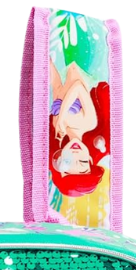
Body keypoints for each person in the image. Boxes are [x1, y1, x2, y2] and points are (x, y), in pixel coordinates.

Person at [49, 60, 111, 198]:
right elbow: (77, 86)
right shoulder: (89, 123)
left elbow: (56, 86)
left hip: (64, 59)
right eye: (82, 162)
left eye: (67, 162)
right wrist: (61, 117)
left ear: (58, 160)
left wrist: (48, 63)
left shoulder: (57, 127)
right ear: (89, 159)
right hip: (82, 61)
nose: (76, 154)